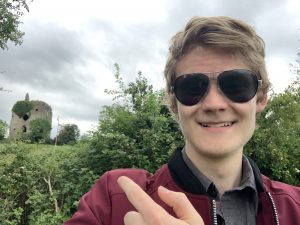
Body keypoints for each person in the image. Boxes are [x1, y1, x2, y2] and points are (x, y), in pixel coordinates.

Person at [63, 16, 300, 225]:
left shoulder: (295, 207)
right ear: (174, 103)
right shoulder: (116, 198)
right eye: (192, 87)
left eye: (236, 85)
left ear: (261, 97)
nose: (213, 104)